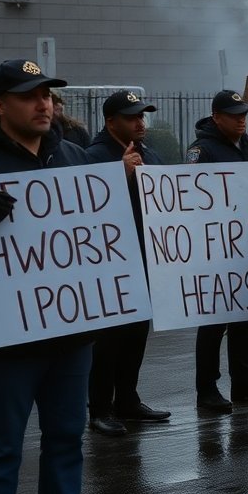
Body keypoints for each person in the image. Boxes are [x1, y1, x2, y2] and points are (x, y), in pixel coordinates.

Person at [0, 60, 128, 494]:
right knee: (3, 445)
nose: (43, 104)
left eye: (47, 95)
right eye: (28, 96)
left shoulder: (71, 155)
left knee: (65, 436)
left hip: (71, 330)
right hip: (5, 336)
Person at [186, 90, 248, 413]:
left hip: (243, 247)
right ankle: (207, 387)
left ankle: (243, 381)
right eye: (234, 114)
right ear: (216, 117)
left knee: (244, 316)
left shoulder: (245, 147)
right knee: (213, 322)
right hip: (215, 249)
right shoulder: (203, 150)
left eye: (244, 114)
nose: (242, 119)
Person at [83, 91, 171, 436]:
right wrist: (120, 174)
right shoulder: (93, 156)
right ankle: (100, 407)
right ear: (110, 122)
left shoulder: (151, 155)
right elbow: (84, 204)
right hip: (109, 263)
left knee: (136, 335)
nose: (141, 122)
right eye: (132, 116)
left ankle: (128, 399)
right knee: (108, 340)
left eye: (143, 115)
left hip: (145, 258)